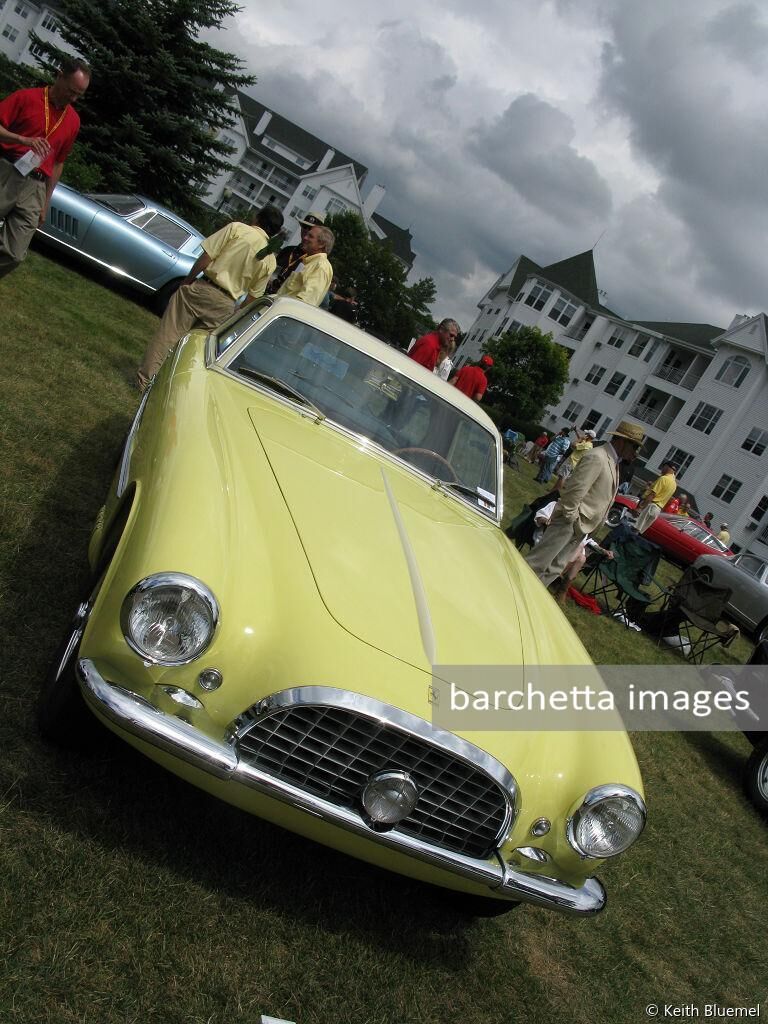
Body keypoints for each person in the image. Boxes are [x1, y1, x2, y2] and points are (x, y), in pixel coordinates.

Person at [137, 203, 284, 390]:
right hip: (226, 304)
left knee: (168, 335)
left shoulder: (237, 229)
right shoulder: (270, 260)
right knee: (194, 350)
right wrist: (235, 314)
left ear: (258, 218)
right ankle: (173, 388)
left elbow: (206, 257)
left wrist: (187, 281)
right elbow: (253, 297)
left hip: (205, 287)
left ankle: (146, 381)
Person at [525, 420, 645, 590]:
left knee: (554, 569)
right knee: (537, 563)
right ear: (622, 441)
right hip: (570, 523)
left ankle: (526, 598)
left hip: (580, 527)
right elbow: (574, 491)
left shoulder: (612, 461)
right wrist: (572, 519)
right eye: (634, 446)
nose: (635, 452)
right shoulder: (598, 456)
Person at [0, 57, 91, 279]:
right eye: (71, 91)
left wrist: (46, 201)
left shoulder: (73, 121)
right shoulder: (26, 97)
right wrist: (22, 139)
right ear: (60, 76)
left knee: (14, 254)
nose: (73, 98)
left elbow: (59, 162)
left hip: (36, 187)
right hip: (8, 171)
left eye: (79, 95)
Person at [275, 224, 334, 305]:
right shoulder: (308, 261)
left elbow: (304, 302)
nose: (305, 237)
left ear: (321, 244)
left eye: (310, 236)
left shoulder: (321, 267)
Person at [267, 211, 325, 294]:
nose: (306, 230)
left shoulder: (315, 263)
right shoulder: (288, 250)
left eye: (310, 228)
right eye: (304, 226)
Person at [635, 462, 677, 534]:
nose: (662, 469)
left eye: (663, 467)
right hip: (657, 510)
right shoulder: (674, 484)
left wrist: (640, 508)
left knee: (635, 528)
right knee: (639, 532)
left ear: (667, 467)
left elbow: (653, 494)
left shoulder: (663, 478)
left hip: (650, 506)